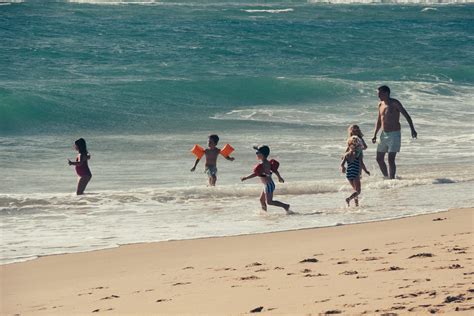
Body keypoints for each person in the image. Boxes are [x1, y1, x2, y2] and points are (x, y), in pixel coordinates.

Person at [372, 85, 417, 179]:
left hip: (394, 134)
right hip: (383, 135)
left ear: (386, 93)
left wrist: (412, 129)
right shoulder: (380, 104)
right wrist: (375, 134)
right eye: (378, 94)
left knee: (390, 159)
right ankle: (386, 177)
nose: (378, 96)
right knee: (379, 158)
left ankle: (392, 179)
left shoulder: (395, 103)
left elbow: (407, 116)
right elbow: (379, 121)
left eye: (380, 93)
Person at [241, 145, 291, 214]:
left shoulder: (263, 164)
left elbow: (256, 174)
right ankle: (265, 213)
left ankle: (285, 206)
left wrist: (246, 177)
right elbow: (275, 170)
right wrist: (279, 177)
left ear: (262, 154)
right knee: (261, 200)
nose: (256, 154)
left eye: (257, 153)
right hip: (266, 185)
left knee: (269, 202)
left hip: (269, 185)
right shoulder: (267, 162)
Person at [341, 136, 370, 207]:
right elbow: (361, 163)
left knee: (355, 190)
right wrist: (366, 171)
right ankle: (349, 199)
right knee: (358, 191)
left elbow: (342, 164)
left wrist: (343, 168)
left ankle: (357, 204)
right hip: (356, 173)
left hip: (349, 174)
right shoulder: (358, 154)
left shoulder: (346, 154)